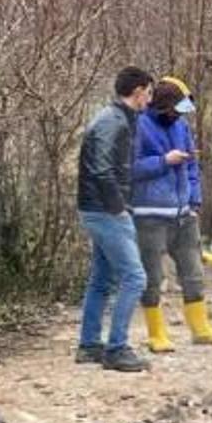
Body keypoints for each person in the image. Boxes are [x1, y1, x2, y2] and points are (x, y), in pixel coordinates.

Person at [131, 76, 212, 352]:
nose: (178, 115)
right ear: (163, 105)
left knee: (193, 272)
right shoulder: (138, 126)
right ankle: (156, 334)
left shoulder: (182, 126)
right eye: (176, 109)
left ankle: (201, 329)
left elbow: (191, 167)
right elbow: (131, 169)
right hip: (149, 215)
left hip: (183, 214)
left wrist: (194, 200)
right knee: (152, 277)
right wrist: (164, 161)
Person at [76, 66, 153, 372]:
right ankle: (117, 348)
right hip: (104, 210)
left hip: (98, 207)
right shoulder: (113, 121)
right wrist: (119, 207)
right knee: (135, 278)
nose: (149, 98)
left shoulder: (117, 118)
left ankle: (89, 345)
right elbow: (100, 169)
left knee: (101, 279)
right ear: (137, 92)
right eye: (148, 92)